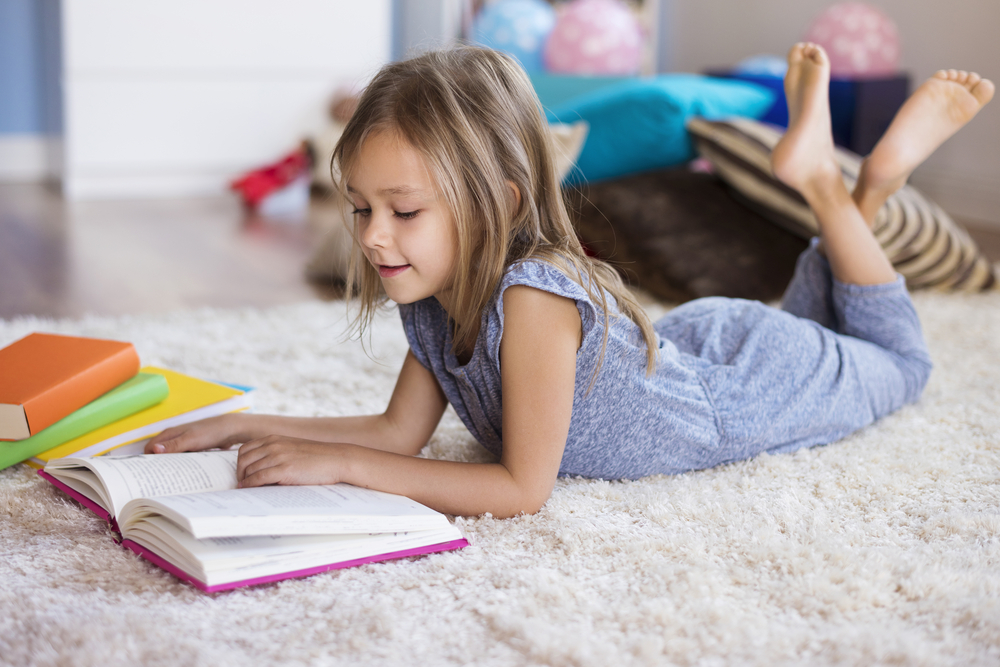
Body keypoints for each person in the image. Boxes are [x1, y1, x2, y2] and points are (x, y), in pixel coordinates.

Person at [146, 44, 994, 519]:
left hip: (747, 387)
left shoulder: (535, 297)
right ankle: (862, 192)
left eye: (403, 210)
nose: (372, 236)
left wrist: (343, 468)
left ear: (502, 202)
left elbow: (520, 487)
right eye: (360, 207)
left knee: (896, 358)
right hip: (707, 350)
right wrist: (245, 424)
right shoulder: (437, 300)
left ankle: (835, 184)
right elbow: (398, 431)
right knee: (829, 315)